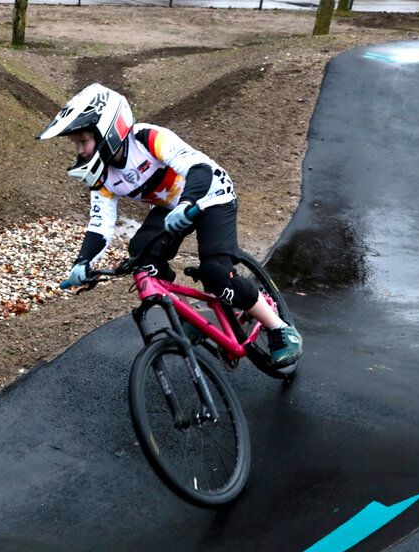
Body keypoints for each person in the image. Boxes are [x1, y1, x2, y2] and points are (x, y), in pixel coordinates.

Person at [38, 83, 302, 367]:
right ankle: (197, 320)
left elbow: (200, 169)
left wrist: (188, 203)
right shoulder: (103, 177)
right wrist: (84, 262)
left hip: (211, 196)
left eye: (83, 142)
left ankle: (280, 329)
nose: (80, 152)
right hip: (172, 207)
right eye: (77, 145)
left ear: (108, 131)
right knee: (143, 256)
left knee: (215, 273)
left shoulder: (149, 138)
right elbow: (100, 225)